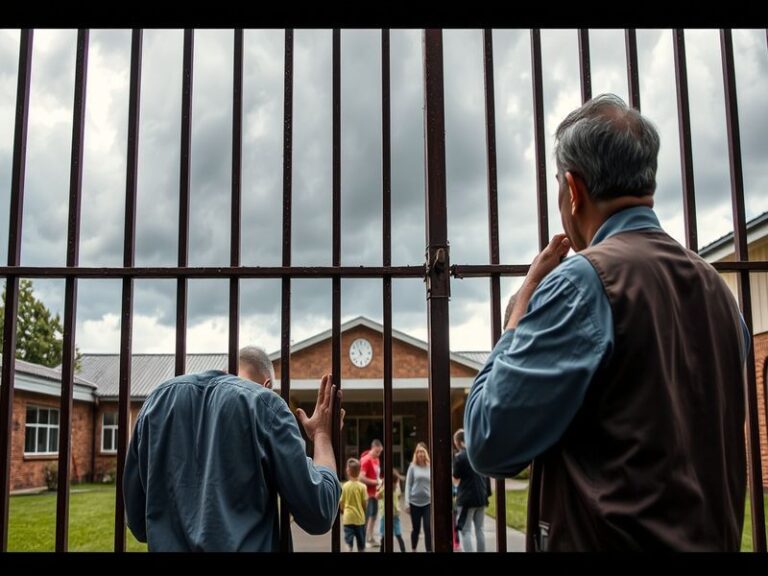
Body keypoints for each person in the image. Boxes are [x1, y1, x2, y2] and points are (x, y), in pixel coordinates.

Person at [464, 94, 750, 551]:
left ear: (573, 189)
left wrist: (519, 311)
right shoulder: (720, 292)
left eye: (558, 186)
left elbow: (488, 440)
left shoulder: (584, 282)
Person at [123, 362, 344, 552]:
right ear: (267, 385)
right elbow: (319, 512)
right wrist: (322, 436)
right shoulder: (265, 404)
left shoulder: (156, 403)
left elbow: (138, 523)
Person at [452, 429, 489, 552]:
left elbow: (455, 478)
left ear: (459, 442)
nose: (456, 446)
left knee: (465, 530)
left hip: (466, 500)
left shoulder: (460, 457)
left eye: (456, 443)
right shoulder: (479, 454)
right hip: (481, 497)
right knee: (480, 530)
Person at [405, 442, 432, 552]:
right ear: (416, 454)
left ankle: (429, 550)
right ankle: (414, 549)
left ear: (426, 453)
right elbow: (408, 485)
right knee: (416, 529)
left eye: (422, 452)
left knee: (428, 528)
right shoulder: (412, 467)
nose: (420, 454)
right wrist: (407, 502)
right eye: (418, 452)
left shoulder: (430, 466)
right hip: (414, 503)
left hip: (427, 502)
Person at [359, 439, 383, 546]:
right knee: (367, 516)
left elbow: (376, 474)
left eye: (380, 452)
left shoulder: (376, 459)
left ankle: (370, 537)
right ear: (372, 448)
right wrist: (376, 482)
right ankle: (363, 539)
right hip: (367, 494)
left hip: (375, 493)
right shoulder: (366, 460)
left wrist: (379, 483)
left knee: (373, 516)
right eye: (377, 451)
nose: (378, 454)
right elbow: (361, 477)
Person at [340, 458, 368, 552]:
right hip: (359, 519)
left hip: (348, 518)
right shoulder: (362, 487)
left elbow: (341, 502)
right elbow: (364, 503)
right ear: (359, 471)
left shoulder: (345, 486)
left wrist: (343, 511)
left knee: (348, 542)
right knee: (361, 544)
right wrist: (363, 511)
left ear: (348, 471)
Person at [377, 468, 406, 552]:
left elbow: (377, 496)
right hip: (392, 514)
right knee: (397, 534)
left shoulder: (386, 489)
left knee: (385, 535)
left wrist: (381, 486)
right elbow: (399, 497)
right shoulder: (394, 489)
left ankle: (382, 550)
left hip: (387, 515)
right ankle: (403, 550)